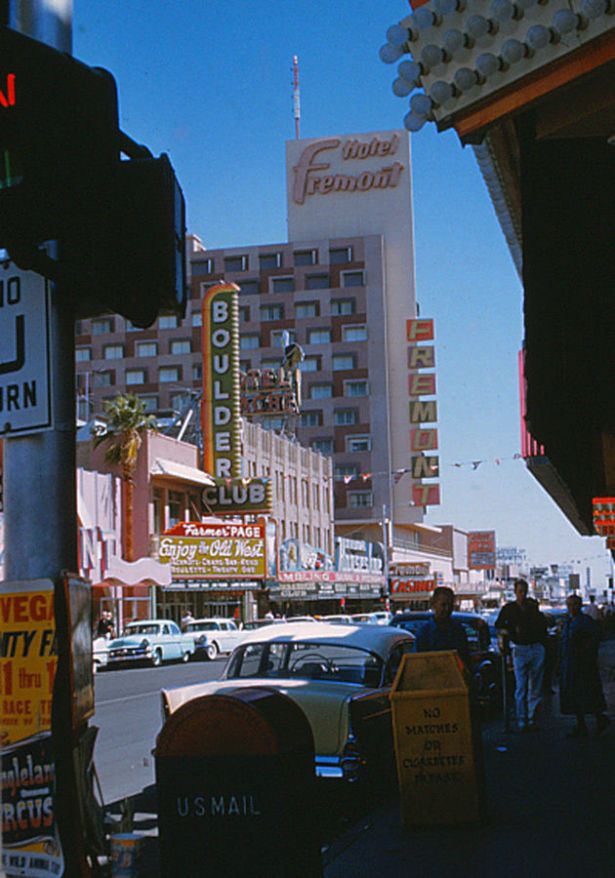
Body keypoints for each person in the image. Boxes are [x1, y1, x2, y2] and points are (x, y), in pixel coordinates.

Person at [495, 579, 547, 732]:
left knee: (535, 686)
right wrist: (509, 633)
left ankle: (531, 718)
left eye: (524, 591)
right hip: (520, 648)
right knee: (521, 686)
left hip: (535, 647)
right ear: (515, 592)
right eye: (520, 592)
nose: (522, 595)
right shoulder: (509, 609)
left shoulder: (532, 609)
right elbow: (499, 625)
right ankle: (521, 719)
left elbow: (542, 625)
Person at [560, 593, 609, 737]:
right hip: (571, 663)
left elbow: (594, 639)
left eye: (574, 604)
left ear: (580, 605)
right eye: (569, 605)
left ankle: (599, 719)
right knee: (576, 695)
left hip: (582, 664)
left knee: (586, 692)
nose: (571, 608)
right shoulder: (569, 622)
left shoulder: (585, 622)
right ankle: (582, 723)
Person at [416, 586, 471, 668]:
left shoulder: (458, 630)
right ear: (434, 604)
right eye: (443, 605)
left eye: (450, 605)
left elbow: (464, 658)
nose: (447, 609)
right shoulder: (424, 632)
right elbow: (417, 661)